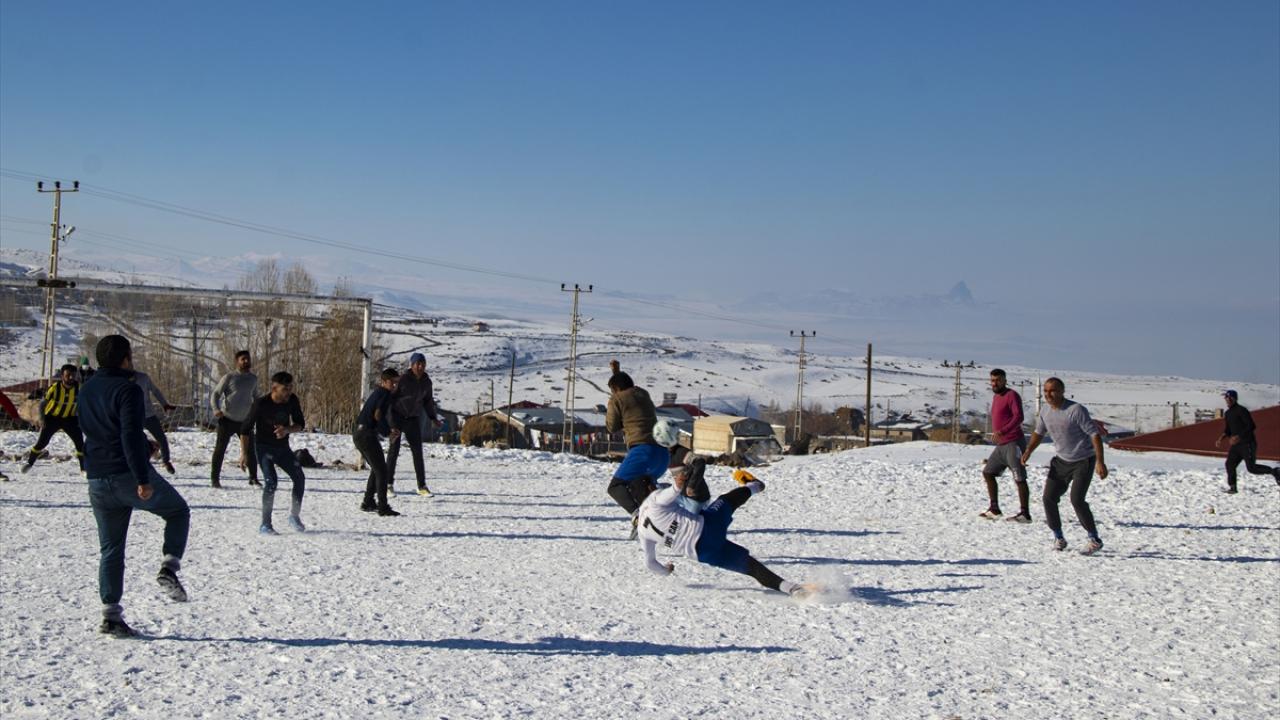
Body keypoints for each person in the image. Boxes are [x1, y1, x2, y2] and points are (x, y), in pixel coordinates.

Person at [79, 335, 191, 637]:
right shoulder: (127, 389)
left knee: (111, 548)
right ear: (125, 359)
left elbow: (98, 430)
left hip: (97, 478)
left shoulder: (86, 389)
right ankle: (169, 568)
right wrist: (142, 477)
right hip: (127, 474)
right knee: (178, 511)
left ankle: (111, 616)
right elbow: (128, 434)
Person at [635, 469, 815, 598]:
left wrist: (666, 571)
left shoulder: (642, 532)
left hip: (704, 554)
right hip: (707, 528)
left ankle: (792, 589)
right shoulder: (654, 499)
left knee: (751, 567)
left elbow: (650, 563)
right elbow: (669, 493)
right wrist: (676, 485)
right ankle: (755, 486)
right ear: (650, 488)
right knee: (726, 500)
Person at [1020, 377, 1108, 555]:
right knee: (1048, 498)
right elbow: (1039, 432)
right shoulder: (1045, 411)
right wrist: (1029, 451)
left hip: (1083, 460)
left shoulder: (1075, 410)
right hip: (1061, 461)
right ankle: (1058, 537)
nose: (1048, 395)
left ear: (1061, 391)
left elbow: (1094, 435)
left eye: (1052, 391)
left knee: (1077, 500)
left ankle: (1094, 539)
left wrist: (1100, 461)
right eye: (1045, 391)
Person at [242, 371, 308, 534]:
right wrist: (244, 454)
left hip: (282, 448)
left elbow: (300, 424)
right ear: (274, 388)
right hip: (264, 448)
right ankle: (265, 524)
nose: (289, 392)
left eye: (291, 388)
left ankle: (294, 516)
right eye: (285, 389)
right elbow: (245, 430)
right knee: (271, 482)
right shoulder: (261, 404)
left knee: (299, 477)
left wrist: (287, 430)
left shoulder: (292, 400)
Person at [605, 361, 670, 523]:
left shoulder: (616, 399)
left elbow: (611, 427)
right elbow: (625, 388)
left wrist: (612, 400)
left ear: (615, 390)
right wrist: (616, 373)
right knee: (638, 486)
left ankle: (640, 518)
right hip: (662, 453)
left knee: (616, 487)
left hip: (643, 451)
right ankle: (658, 511)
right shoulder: (643, 393)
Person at [387, 352, 441, 497]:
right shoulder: (403, 379)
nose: (420, 366)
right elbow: (391, 397)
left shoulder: (426, 382)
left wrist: (433, 418)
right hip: (397, 417)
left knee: (417, 452)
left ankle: (421, 486)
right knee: (394, 450)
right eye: (417, 363)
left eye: (422, 364)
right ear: (412, 365)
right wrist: (389, 421)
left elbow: (428, 401)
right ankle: (388, 484)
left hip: (413, 419)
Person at [980, 369, 1030, 522]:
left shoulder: (1012, 395)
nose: (995, 383)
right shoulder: (996, 397)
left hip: (1013, 442)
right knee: (988, 473)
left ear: (1005, 381)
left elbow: (1019, 417)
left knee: (1019, 477)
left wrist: (1003, 431)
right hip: (1001, 444)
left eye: (998, 380)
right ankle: (994, 508)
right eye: (993, 380)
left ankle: (1025, 513)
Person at [21, 364, 87, 474]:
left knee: (80, 444)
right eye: (68, 375)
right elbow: (43, 404)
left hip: (70, 419)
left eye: (73, 375)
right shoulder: (55, 388)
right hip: (52, 418)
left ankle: (83, 469)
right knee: (42, 443)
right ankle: (29, 463)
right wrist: (42, 419)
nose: (71, 378)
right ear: (62, 376)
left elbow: (85, 403)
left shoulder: (79, 388)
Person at [354, 368, 402, 516]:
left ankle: (368, 501)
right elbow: (377, 415)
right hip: (366, 435)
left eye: (396, 383)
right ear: (383, 382)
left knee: (377, 468)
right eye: (392, 382)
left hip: (360, 433)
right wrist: (387, 432)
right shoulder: (384, 394)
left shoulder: (380, 393)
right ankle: (383, 506)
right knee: (382, 470)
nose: (394, 385)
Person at [210, 350, 260, 488]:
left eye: (248, 359)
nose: (246, 361)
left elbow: (256, 398)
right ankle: (215, 479)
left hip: (245, 421)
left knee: (250, 450)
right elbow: (215, 394)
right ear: (237, 361)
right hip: (227, 419)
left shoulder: (253, 379)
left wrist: (257, 413)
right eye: (243, 359)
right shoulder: (229, 377)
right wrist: (216, 410)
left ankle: (253, 478)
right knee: (220, 449)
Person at [1214, 389, 1280, 493]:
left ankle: (1274, 471)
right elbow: (1228, 429)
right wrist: (1220, 439)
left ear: (1234, 398)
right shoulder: (1228, 413)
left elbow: (1251, 426)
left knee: (1251, 468)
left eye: (1229, 397)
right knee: (1229, 464)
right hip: (1236, 446)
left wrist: (1239, 437)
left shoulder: (1241, 410)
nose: (1227, 399)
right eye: (1226, 398)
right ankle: (1233, 488)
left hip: (1247, 443)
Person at [133, 369, 178, 475]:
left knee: (161, 438)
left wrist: (164, 404)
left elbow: (155, 390)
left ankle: (166, 461)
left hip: (148, 415)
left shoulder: (143, 378)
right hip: (132, 416)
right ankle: (136, 462)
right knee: (133, 440)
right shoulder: (121, 379)